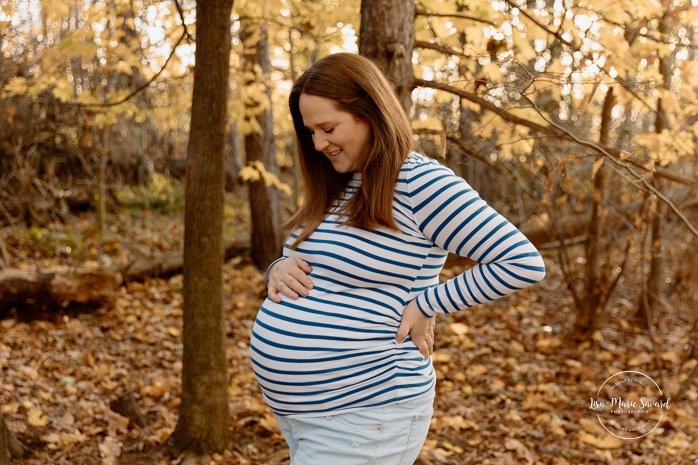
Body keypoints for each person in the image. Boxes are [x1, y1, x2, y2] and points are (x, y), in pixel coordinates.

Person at [250, 52, 545, 465]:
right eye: (310, 131)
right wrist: (277, 268)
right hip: (308, 414)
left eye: (328, 128)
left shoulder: (420, 183)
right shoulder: (342, 181)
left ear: (369, 112)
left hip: (367, 414)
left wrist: (428, 304)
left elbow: (520, 261)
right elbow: (312, 261)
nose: (318, 144)